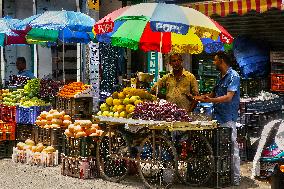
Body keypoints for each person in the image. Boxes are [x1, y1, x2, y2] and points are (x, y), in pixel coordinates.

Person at [196, 51, 241, 186]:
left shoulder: (234, 76)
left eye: (215, 60)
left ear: (221, 60)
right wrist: (200, 97)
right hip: (217, 117)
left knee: (232, 147)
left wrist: (212, 100)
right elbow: (213, 93)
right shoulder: (219, 77)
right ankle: (220, 175)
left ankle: (236, 177)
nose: (213, 63)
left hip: (228, 117)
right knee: (219, 149)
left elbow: (228, 97)